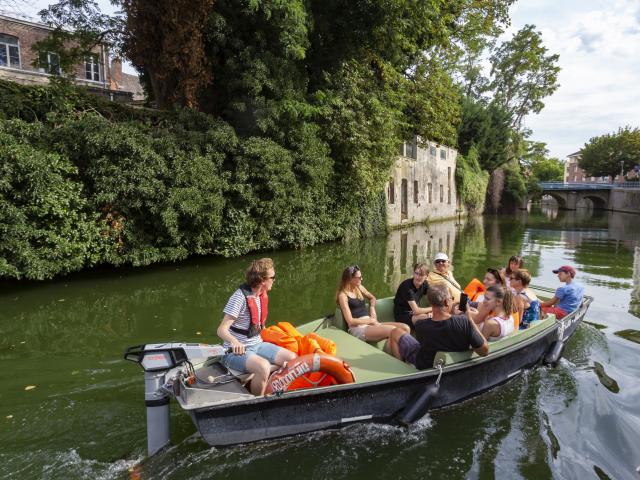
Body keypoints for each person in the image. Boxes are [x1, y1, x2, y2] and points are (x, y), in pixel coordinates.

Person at [217, 258, 297, 396]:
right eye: (273, 277)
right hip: (233, 352)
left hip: (258, 345)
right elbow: (221, 330)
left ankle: (268, 387)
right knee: (263, 367)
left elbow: (259, 326)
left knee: (292, 358)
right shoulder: (239, 298)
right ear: (262, 280)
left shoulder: (260, 295)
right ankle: (257, 401)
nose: (274, 280)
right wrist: (234, 341)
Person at [388, 284, 488, 369]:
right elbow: (484, 351)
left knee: (396, 332)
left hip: (424, 364)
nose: (452, 301)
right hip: (451, 365)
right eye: (451, 299)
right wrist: (470, 320)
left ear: (430, 303)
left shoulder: (421, 325)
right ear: (446, 302)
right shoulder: (464, 322)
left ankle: (402, 368)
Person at [337, 265, 410, 343]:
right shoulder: (343, 295)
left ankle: (393, 350)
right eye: (359, 277)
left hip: (371, 323)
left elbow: (372, 298)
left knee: (405, 328)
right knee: (393, 330)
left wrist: (372, 309)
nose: (361, 279)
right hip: (358, 328)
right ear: (350, 279)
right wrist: (370, 321)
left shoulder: (359, 287)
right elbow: (350, 321)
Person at [393, 263, 432, 329]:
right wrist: (433, 309)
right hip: (402, 315)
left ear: (426, 276)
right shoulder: (407, 287)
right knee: (427, 318)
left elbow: (432, 299)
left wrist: (431, 311)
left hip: (414, 314)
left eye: (421, 275)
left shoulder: (425, 284)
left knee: (436, 315)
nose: (417, 277)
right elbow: (416, 310)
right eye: (416, 273)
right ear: (413, 273)